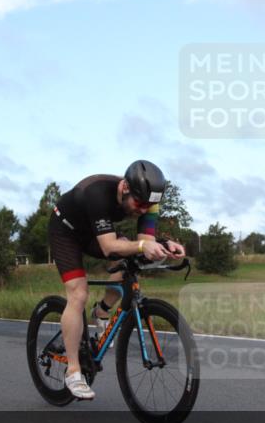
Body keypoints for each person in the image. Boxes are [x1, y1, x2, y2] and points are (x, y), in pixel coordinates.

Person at [49, 160, 185, 400]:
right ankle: (73, 372)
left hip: (94, 232)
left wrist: (163, 245)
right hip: (66, 231)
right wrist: (141, 246)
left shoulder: (148, 203)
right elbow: (109, 246)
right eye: (139, 204)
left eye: (148, 206)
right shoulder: (97, 193)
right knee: (78, 293)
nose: (143, 210)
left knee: (130, 258)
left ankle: (101, 311)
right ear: (124, 187)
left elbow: (144, 243)